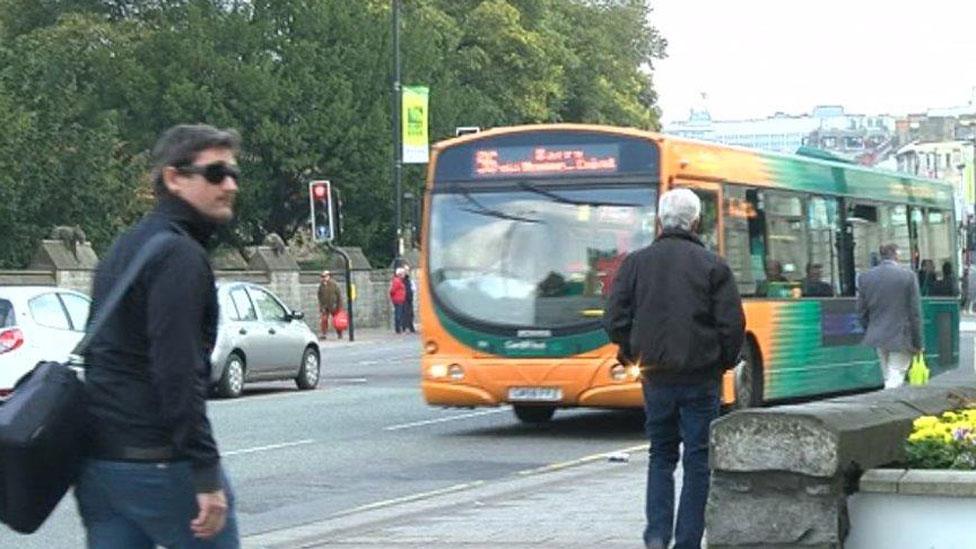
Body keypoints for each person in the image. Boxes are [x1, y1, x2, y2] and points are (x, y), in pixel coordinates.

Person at [76, 124, 241, 547]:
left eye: (234, 174)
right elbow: (178, 371)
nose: (230, 185)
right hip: (161, 463)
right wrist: (204, 471)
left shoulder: (127, 246)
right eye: (216, 173)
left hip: (100, 467)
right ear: (174, 178)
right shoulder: (180, 256)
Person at [605, 188, 745, 549]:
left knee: (661, 455)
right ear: (696, 222)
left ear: (659, 222)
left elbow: (615, 319)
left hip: (655, 377)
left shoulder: (635, 263)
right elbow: (732, 327)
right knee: (698, 460)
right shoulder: (713, 265)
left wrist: (632, 353)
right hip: (701, 377)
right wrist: (722, 363)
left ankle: (655, 537)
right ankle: (687, 541)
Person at [857, 243, 923, 389]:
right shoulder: (908, 276)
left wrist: (871, 329)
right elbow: (915, 314)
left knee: (888, 375)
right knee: (895, 376)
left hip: (877, 336)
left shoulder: (865, 277)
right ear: (897, 255)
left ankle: (888, 405)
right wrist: (918, 344)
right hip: (901, 337)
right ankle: (889, 407)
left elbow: (861, 311)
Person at [317, 270, 344, 339]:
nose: (323, 278)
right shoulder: (321, 285)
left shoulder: (334, 284)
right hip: (325, 306)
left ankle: (339, 333)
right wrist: (321, 306)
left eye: (325, 276)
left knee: (337, 320)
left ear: (329, 276)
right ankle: (324, 334)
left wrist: (339, 306)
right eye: (322, 276)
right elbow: (319, 296)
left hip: (334, 305)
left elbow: (339, 295)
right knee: (324, 320)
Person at [390, 267, 407, 333]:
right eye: (403, 273)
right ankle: (398, 329)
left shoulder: (399, 281)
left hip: (399, 299)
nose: (404, 275)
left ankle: (399, 328)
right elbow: (392, 291)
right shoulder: (397, 281)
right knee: (398, 314)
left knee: (399, 314)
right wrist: (394, 297)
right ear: (399, 274)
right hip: (398, 300)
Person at [401, 264, 418, 333]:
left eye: (407, 270)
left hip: (409, 298)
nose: (407, 271)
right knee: (405, 312)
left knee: (410, 313)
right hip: (404, 298)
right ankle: (405, 327)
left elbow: (413, 288)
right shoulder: (402, 280)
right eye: (405, 270)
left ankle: (411, 327)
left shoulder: (409, 280)